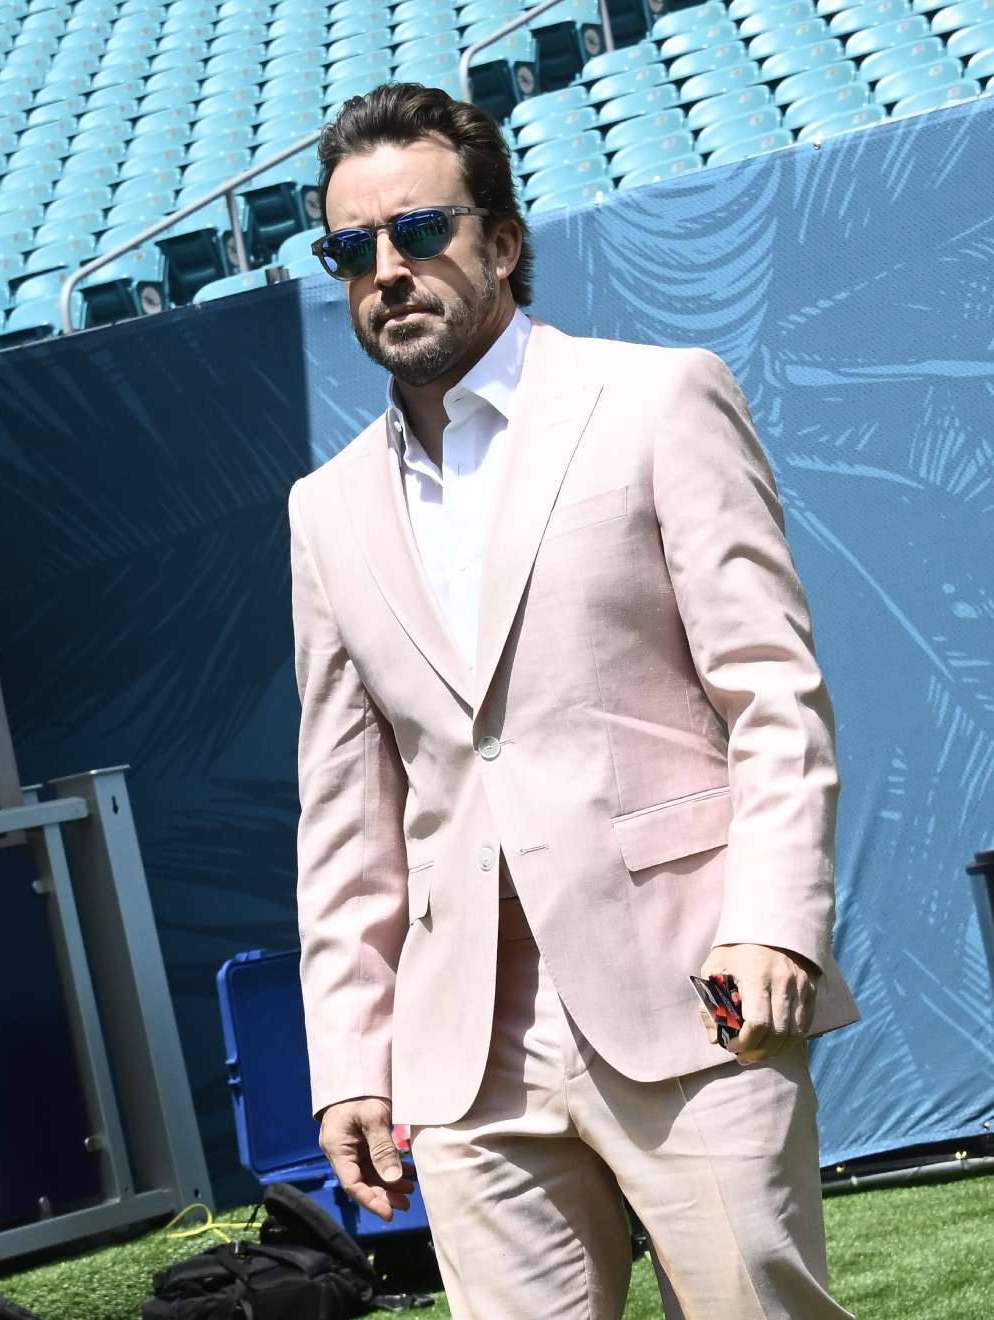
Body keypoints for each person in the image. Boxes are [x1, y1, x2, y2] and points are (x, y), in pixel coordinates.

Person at [288, 83, 859, 1319]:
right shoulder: (324, 511)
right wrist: (350, 1059)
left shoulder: (659, 400)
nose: (388, 270)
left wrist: (772, 926)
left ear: (501, 241)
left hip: (696, 984)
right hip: (464, 1053)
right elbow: (346, 818)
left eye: (419, 231)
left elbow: (773, 696)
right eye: (352, 250)